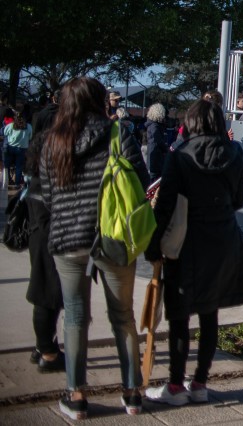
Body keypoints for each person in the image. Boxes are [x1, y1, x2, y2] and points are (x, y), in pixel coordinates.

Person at [41, 77, 148, 419]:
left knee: (74, 316)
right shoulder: (119, 135)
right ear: (101, 101)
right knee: (123, 317)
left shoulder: (51, 142)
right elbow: (142, 183)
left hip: (68, 238)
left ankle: (76, 397)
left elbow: (47, 197)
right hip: (113, 237)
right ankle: (132, 394)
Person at [144, 100, 243, 406]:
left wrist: (153, 246)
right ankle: (200, 383)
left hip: (186, 240)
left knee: (179, 315)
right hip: (224, 237)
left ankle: (175, 385)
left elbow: (165, 205)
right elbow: (240, 198)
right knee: (210, 312)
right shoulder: (236, 153)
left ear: (191, 123)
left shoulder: (180, 155)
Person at [23, 129, 65, 373]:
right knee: (47, 296)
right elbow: (47, 218)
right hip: (47, 240)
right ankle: (47, 352)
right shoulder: (44, 182)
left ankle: (45, 346)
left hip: (39, 239)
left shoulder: (37, 177)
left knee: (47, 296)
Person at [3, 111, 32, 189]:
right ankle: (17, 184)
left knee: (7, 165)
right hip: (22, 149)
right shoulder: (28, 126)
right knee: (19, 166)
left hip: (11, 147)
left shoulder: (10, 125)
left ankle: (7, 181)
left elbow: (5, 133)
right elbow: (30, 137)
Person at [145, 103, 168, 183]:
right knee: (155, 179)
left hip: (153, 154)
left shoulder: (152, 125)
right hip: (156, 156)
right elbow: (158, 141)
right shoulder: (155, 126)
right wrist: (166, 149)